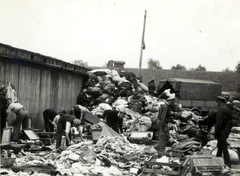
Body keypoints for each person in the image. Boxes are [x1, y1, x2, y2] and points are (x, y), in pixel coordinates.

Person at [154, 89, 176, 157]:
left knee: (163, 137)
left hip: (160, 122)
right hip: (162, 123)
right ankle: (161, 153)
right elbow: (163, 118)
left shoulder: (164, 106)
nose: (174, 102)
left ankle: (158, 147)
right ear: (171, 100)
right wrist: (165, 127)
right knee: (162, 138)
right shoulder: (166, 107)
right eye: (173, 101)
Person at [214, 96, 233, 168]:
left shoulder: (221, 110)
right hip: (226, 131)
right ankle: (217, 160)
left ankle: (228, 163)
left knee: (223, 146)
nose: (217, 103)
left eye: (218, 102)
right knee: (220, 146)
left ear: (220, 102)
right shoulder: (228, 109)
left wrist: (216, 133)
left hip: (221, 131)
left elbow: (218, 123)